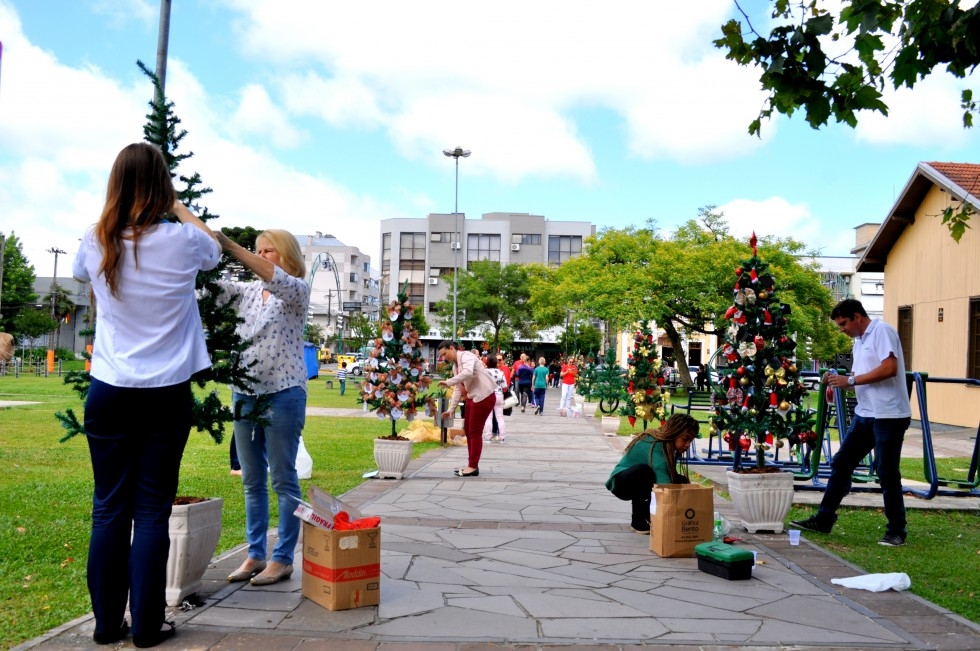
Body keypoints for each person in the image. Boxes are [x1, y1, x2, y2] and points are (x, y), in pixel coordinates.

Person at [73, 143, 220, 648]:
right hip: (165, 394)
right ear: (162, 186)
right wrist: (176, 205)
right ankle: (148, 625)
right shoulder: (182, 241)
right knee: (152, 509)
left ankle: (105, 624)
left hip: (109, 391)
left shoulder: (95, 242)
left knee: (109, 508)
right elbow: (214, 247)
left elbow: (78, 272)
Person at [215, 229, 312, 585]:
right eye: (258, 250)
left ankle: (283, 558)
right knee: (252, 480)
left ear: (286, 255)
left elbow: (275, 277)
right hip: (244, 394)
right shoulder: (249, 292)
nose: (261, 256)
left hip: (284, 393)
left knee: (284, 480)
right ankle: (255, 554)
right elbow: (210, 291)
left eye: (268, 250)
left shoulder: (297, 290)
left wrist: (230, 246)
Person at [791, 298, 912, 546]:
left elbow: (890, 368)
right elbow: (860, 376)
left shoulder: (882, 331)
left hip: (889, 415)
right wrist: (837, 378)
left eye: (843, 323)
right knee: (842, 463)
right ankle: (824, 519)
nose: (842, 329)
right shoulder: (859, 342)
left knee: (886, 471)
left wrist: (852, 382)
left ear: (857, 317)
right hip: (866, 413)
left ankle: (896, 531)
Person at [604, 414, 700, 534]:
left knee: (681, 480)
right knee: (644, 472)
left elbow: (669, 477)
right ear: (674, 433)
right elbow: (665, 487)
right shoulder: (656, 445)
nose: (687, 445)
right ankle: (638, 521)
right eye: (685, 439)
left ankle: (649, 517)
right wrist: (684, 516)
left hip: (638, 479)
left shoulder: (667, 444)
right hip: (620, 483)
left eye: (691, 440)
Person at [438, 341, 497, 477]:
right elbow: (459, 389)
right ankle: (471, 464)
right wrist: (451, 410)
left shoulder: (466, 356)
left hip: (484, 396)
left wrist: (448, 382)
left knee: (474, 432)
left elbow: (468, 372)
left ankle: (473, 466)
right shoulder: (455, 366)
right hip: (473, 397)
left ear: (452, 348)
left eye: (444, 354)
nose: (444, 358)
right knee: (468, 431)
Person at [483, 355, 508, 443]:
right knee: (500, 417)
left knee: (488, 417)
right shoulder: (500, 372)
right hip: (499, 395)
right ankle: (502, 437)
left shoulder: (484, 372)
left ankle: (488, 437)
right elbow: (505, 386)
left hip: (488, 395)